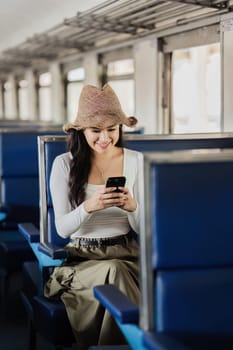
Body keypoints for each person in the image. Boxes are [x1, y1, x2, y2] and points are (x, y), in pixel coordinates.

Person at [44, 83, 142, 350]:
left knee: (118, 270)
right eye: (95, 131)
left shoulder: (135, 160)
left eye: (112, 129)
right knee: (115, 272)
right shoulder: (64, 164)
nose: (104, 138)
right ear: (81, 131)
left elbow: (142, 229)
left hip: (127, 254)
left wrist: (133, 208)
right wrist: (89, 206)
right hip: (82, 259)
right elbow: (63, 229)